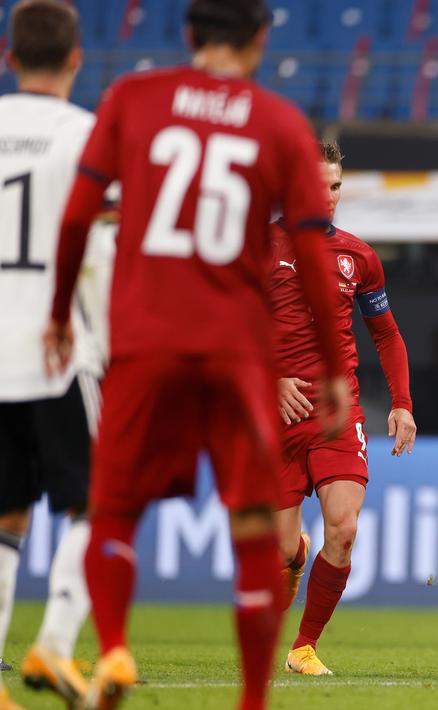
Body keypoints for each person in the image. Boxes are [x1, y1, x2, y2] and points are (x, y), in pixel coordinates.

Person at [43, 1, 352, 708]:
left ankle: (114, 649)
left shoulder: (132, 99)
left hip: (144, 342)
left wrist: (60, 313)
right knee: (252, 525)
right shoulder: (278, 123)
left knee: (114, 508)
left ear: (188, 36)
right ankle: (250, 699)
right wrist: (336, 368)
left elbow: (77, 213)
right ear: (260, 40)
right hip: (234, 353)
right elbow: (310, 251)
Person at [272, 141, 416, 676]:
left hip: (336, 411)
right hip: (274, 415)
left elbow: (387, 335)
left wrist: (402, 404)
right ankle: (293, 554)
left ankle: (303, 647)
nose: (327, 197)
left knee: (346, 528)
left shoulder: (359, 256)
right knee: (280, 549)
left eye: (334, 186)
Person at [0, 2, 106, 706]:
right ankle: (55, 645)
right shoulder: (90, 138)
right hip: (58, 348)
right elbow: (112, 236)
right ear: (76, 60)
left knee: (6, 517)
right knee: (99, 502)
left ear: (9, 58)